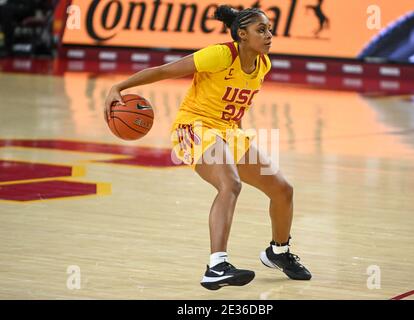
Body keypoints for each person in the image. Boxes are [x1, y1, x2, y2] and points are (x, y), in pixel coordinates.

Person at [104, 5, 311, 290]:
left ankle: (279, 252)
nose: (269, 35)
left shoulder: (263, 64)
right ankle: (216, 266)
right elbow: (165, 71)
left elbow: (232, 109)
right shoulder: (220, 54)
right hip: (194, 127)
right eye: (261, 30)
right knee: (230, 184)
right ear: (242, 34)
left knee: (283, 190)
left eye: (269, 29)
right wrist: (120, 86)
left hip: (228, 131)